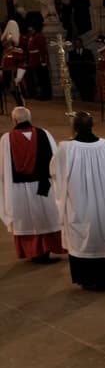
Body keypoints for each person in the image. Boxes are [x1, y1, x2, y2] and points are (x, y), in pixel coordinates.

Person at [55, 112, 105, 289]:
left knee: (83, 236)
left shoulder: (66, 148)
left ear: (75, 127)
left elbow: (56, 174)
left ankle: (88, 278)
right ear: (92, 125)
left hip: (80, 203)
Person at [1, 106, 64, 263]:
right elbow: (55, 160)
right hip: (44, 186)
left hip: (19, 189)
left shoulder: (6, 139)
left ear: (14, 120)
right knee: (46, 217)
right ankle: (48, 249)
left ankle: (34, 252)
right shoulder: (44, 134)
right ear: (30, 118)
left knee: (27, 220)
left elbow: (3, 167)